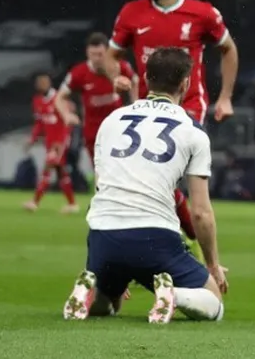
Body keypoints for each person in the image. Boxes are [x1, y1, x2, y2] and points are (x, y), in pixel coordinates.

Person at [62, 48, 227, 323]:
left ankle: (92, 291)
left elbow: (102, 188)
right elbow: (200, 212)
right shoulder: (193, 131)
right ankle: (174, 295)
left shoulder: (111, 121)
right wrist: (212, 264)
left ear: (147, 78)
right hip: (154, 237)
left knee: (110, 303)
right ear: (186, 83)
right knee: (214, 303)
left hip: (104, 235)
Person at [108, 0, 239, 261]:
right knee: (156, 182)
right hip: (146, 108)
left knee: (165, 178)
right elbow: (113, 55)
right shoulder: (131, 13)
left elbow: (228, 49)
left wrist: (225, 98)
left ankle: (189, 244)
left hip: (189, 106)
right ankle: (190, 239)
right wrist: (116, 76)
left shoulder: (202, 13)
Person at [55, 32, 137, 167]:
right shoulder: (78, 73)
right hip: (93, 131)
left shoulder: (120, 67)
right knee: (99, 168)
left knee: (120, 167)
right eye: (92, 54)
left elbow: (135, 80)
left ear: (107, 53)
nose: (96, 59)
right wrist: (66, 114)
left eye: (100, 54)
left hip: (118, 128)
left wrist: (136, 104)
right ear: (87, 53)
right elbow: (59, 97)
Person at [24, 72, 78, 213]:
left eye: (43, 82)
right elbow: (39, 123)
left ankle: (35, 202)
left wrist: (62, 141)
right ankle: (72, 204)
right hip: (49, 141)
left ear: (49, 83)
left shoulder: (59, 99)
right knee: (61, 172)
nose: (41, 85)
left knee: (47, 168)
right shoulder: (37, 101)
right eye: (39, 83)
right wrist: (32, 139)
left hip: (60, 141)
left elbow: (68, 122)